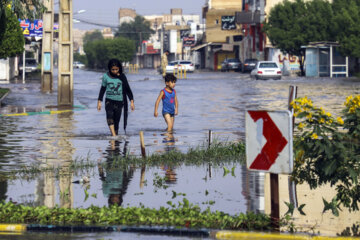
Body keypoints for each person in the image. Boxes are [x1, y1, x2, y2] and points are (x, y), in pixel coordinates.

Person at [97, 59, 135, 137]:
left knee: (116, 121)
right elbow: (102, 89)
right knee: (109, 116)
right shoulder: (105, 76)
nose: (114, 71)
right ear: (109, 69)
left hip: (119, 101)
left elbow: (127, 89)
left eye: (116, 69)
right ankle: (113, 135)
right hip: (109, 101)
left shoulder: (122, 76)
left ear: (119, 68)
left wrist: (131, 101)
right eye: (113, 69)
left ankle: (114, 139)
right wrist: (99, 101)